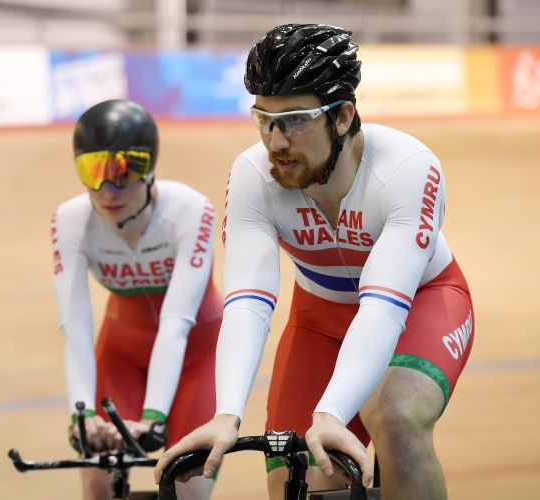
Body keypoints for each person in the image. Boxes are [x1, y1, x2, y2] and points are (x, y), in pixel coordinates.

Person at [155, 24, 474, 500]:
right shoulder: (251, 176)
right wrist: (227, 415)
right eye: (264, 119)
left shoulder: (407, 168)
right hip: (318, 320)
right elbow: (247, 302)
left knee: (395, 417)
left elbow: (385, 308)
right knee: (297, 474)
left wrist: (330, 413)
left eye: (296, 120)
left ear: (343, 116)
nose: (276, 142)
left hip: (420, 305)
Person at [52, 99, 220, 499]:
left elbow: (177, 322)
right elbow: (74, 324)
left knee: (187, 493)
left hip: (197, 353)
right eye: (93, 172)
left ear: (151, 170)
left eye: (126, 172)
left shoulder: (189, 210)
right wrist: (83, 415)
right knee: (98, 485)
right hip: (121, 353)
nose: (109, 191)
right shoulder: (71, 219)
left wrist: (154, 416)